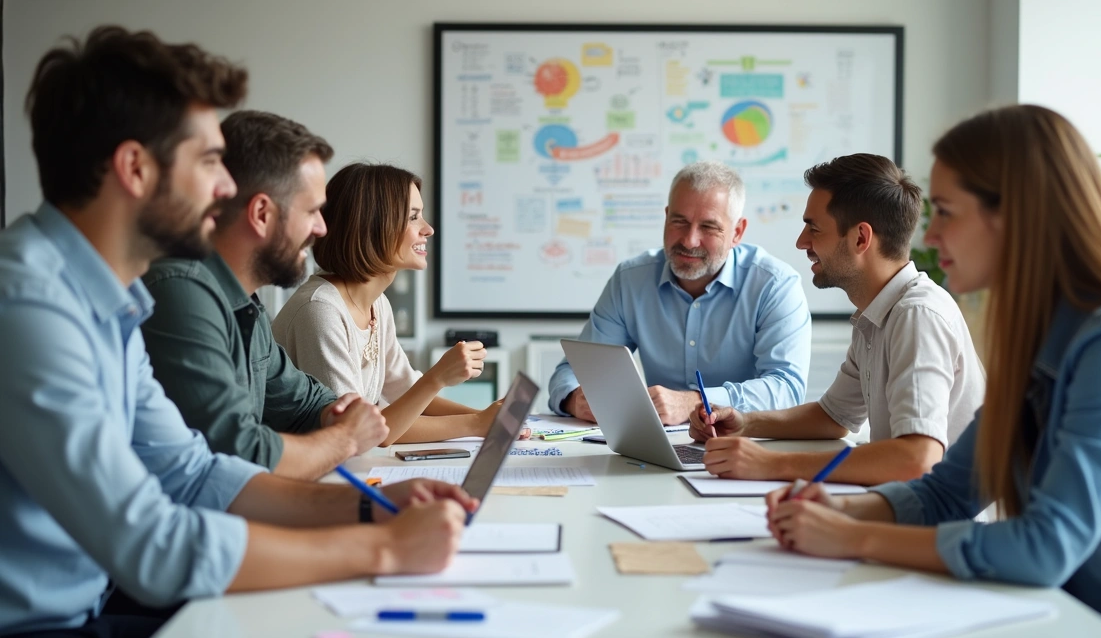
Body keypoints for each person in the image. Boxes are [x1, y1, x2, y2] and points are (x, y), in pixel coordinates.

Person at [0, 26, 471, 638]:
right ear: (135, 169)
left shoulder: (111, 302)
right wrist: (383, 547)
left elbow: (195, 472)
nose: (226, 188)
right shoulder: (28, 307)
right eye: (207, 162)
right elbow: (152, 544)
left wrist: (374, 506)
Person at [765, 105, 1101, 638]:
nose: (931, 236)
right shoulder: (1042, 338)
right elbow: (948, 493)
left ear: (1016, 216)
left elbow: (1045, 547)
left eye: (946, 212)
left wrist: (851, 537)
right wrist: (846, 510)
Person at [690, 154, 986, 485]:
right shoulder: (878, 313)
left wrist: (771, 464)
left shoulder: (917, 316)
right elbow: (834, 416)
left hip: (940, 517)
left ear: (860, 238)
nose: (801, 242)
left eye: (814, 228)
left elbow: (917, 459)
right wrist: (745, 423)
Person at [141, 110, 386, 480]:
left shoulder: (244, 304)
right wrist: (346, 438)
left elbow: (302, 402)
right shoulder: (182, 293)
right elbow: (238, 454)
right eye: (312, 211)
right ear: (261, 214)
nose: (321, 228)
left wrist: (337, 413)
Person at [273, 163, 529, 443]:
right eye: (413, 217)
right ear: (371, 226)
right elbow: (358, 433)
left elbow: (408, 394)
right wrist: (470, 416)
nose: (428, 229)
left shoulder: (377, 305)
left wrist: (492, 419)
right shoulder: (320, 311)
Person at [548, 160, 812, 425]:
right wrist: (574, 399)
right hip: (655, 442)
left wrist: (697, 402)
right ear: (666, 217)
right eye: (679, 221)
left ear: (737, 232)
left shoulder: (775, 285)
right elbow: (573, 371)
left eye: (708, 227)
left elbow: (786, 389)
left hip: (745, 441)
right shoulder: (630, 280)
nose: (689, 240)